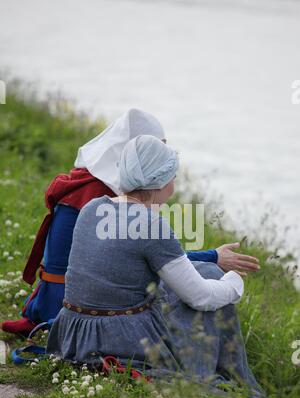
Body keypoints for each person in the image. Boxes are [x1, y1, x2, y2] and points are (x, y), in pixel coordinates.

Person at [0, 110, 259, 337]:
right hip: (69, 306)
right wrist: (213, 258)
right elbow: (145, 258)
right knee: (204, 279)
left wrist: (210, 256)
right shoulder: (100, 194)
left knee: (198, 274)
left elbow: (138, 254)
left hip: (66, 303)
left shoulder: (92, 187)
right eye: (157, 148)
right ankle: (206, 368)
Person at [46, 135, 264, 398]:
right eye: (173, 177)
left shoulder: (93, 208)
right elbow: (200, 297)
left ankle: (223, 373)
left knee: (203, 271)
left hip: (74, 334)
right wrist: (233, 284)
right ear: (161, 182)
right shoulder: (151, 224)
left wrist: (212, 258)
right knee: (213, 281)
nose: (173, 186)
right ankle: (217, 374)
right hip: (116, 339)